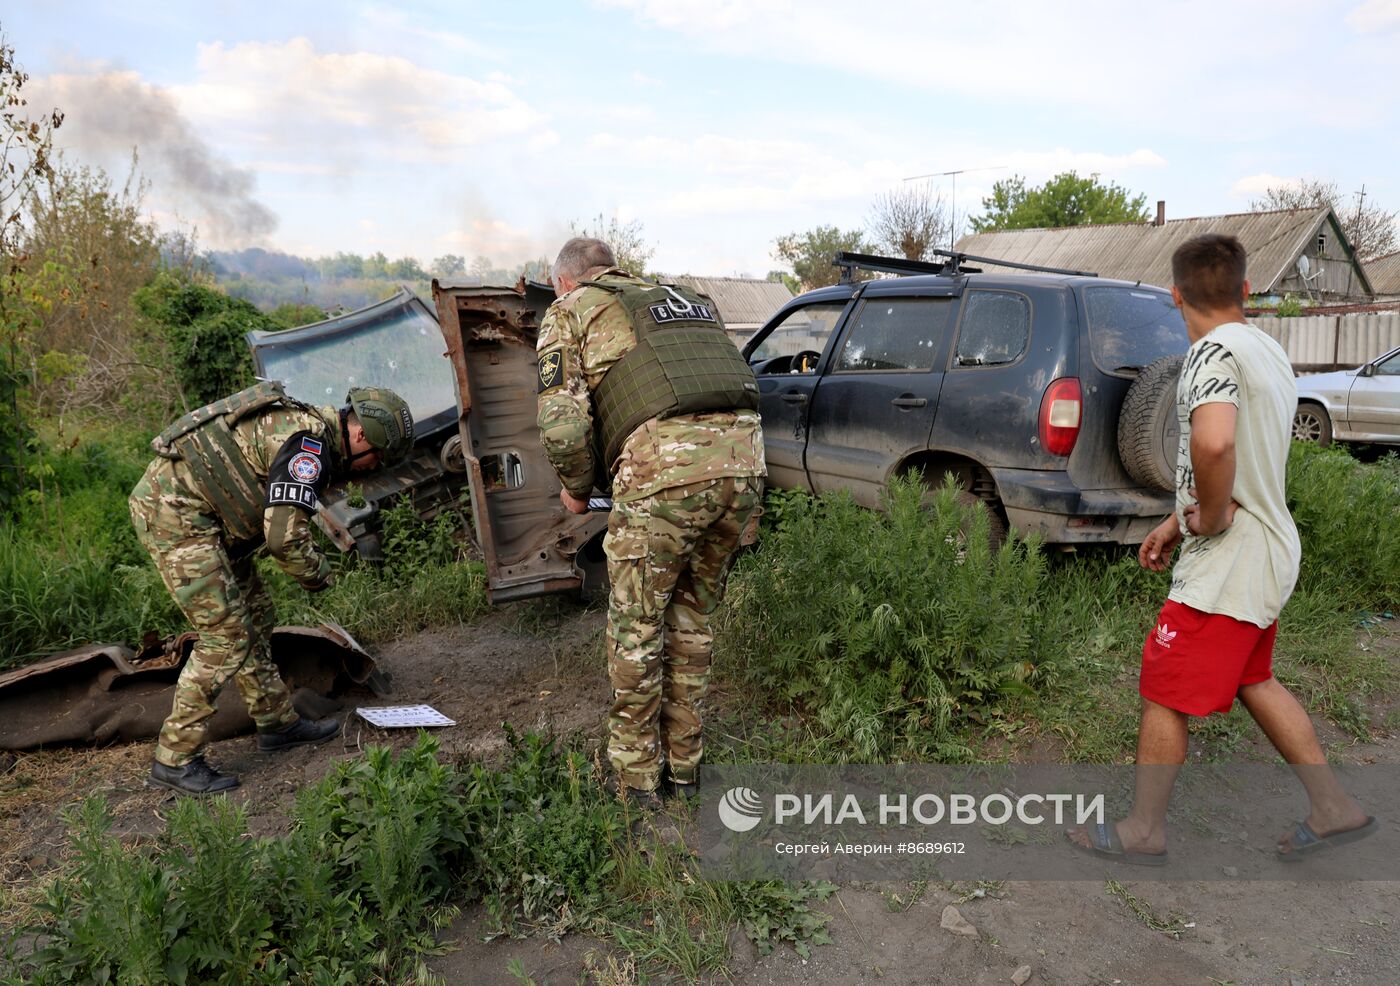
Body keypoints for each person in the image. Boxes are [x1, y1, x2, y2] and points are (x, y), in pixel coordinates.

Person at [1069, 233, 1375, 863]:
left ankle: (1145, 830)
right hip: (1268, 547)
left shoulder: (1210, 354)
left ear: (1175, 295)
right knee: (1254, 679)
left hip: (1232, 558)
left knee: (1164, 684)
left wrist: (1205, 518)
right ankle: (1335, 807)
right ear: (1244, 291)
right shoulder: (1267, 350)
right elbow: (1248, 465)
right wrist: (1177, 521)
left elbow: (1213, 447)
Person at [536, 237, 765, 808]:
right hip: (744, 470)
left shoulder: (570, 310)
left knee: (637, 627)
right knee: (692, 619)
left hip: (663, 477)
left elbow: (562, 424)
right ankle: (685, 769)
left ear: (565, 280)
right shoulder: (685, 298)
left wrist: (576, 489)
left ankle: (639, 781)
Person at [131, 382, 415, 795]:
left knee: (257, 614)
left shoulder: (307, 431)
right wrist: (317, 576)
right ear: (358, 436)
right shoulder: (310, 446)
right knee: (225, 636)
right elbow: (283, 538)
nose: (372, 468)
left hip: (208, 520)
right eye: (377, 457)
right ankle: (175, 758)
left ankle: (276, 723)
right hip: (176, 516)